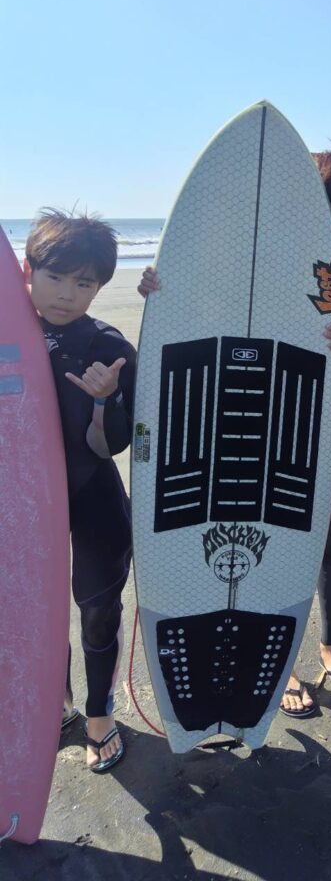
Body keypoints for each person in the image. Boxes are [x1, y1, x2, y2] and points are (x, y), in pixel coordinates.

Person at [138, 152, 331, 717]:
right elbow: (198, 326)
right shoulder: (251, 274)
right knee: (270, 539)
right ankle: (284, 659)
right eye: (325, 211)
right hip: (260, 434)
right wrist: (160, 289)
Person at [25, 210, 135, 771]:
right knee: (33, 611)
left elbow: (107, 447)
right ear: (27, 269)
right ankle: (55, 702)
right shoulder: (6, 329)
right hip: (23, 499)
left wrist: (104, 399)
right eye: (56, 277)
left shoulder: (107, 346)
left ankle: (98, 712)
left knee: (97, 608)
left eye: (85, 282)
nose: (68, 294)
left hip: (90, 493)